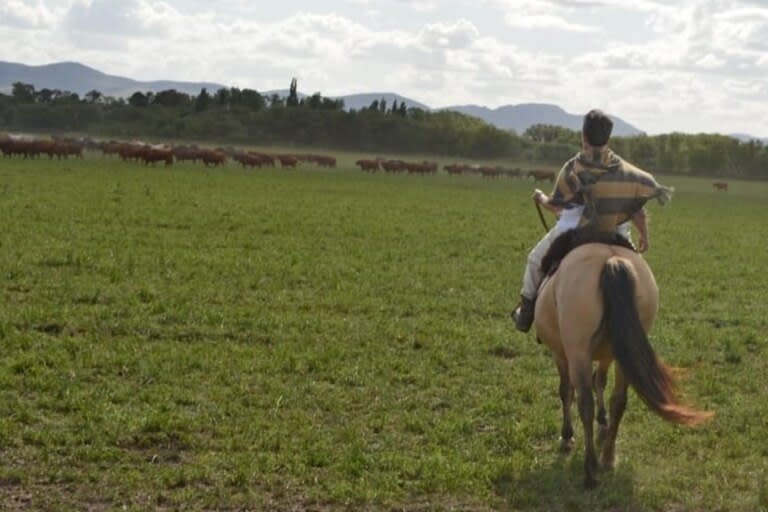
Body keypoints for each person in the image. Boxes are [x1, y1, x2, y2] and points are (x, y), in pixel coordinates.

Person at [512, 109, 674, 332]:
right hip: (617, 234)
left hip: (574, 231)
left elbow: (557, 205)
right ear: (607, 138)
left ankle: (526, 314)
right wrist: (644, 234)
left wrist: (540, 198)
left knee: (534, 260)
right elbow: (636, 207)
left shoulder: (572, 168)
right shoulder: (626, 170)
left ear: (584, 137)